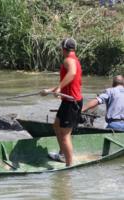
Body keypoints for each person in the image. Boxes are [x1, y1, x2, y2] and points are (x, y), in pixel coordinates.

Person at [41, 38, 83, 167]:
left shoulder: (68, 60)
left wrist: (58, 88)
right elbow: (68, 82)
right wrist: (50, 90)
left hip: (71, 102)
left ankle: (69, 164)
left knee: (65, 135)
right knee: (56, 126)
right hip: (68, 101)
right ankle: (62, 155)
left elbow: (72, 73)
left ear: (62, 49)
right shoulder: (74, 59)